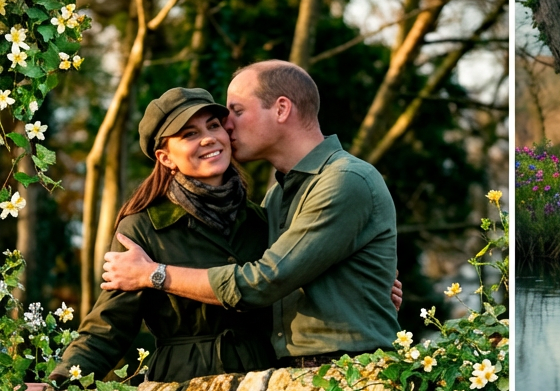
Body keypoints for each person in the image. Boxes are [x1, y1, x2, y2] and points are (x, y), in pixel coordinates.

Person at [102, 61, 401, 368]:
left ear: (281, 109)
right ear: (165, 158)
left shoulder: (345, 180)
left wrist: (153, 274)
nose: (227, 126)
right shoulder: (275, 198)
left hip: (349, 370)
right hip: (283, 374)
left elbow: (263, 281)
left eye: (237, 112)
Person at [50, 88, 278, 385]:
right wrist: (59, 383)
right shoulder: (141, 230)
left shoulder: (262, 221)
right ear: (166, 157)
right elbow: (109, 325)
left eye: (213, 125)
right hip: (180, 386)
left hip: (263, 379)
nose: (208, 138)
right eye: (189, 134)